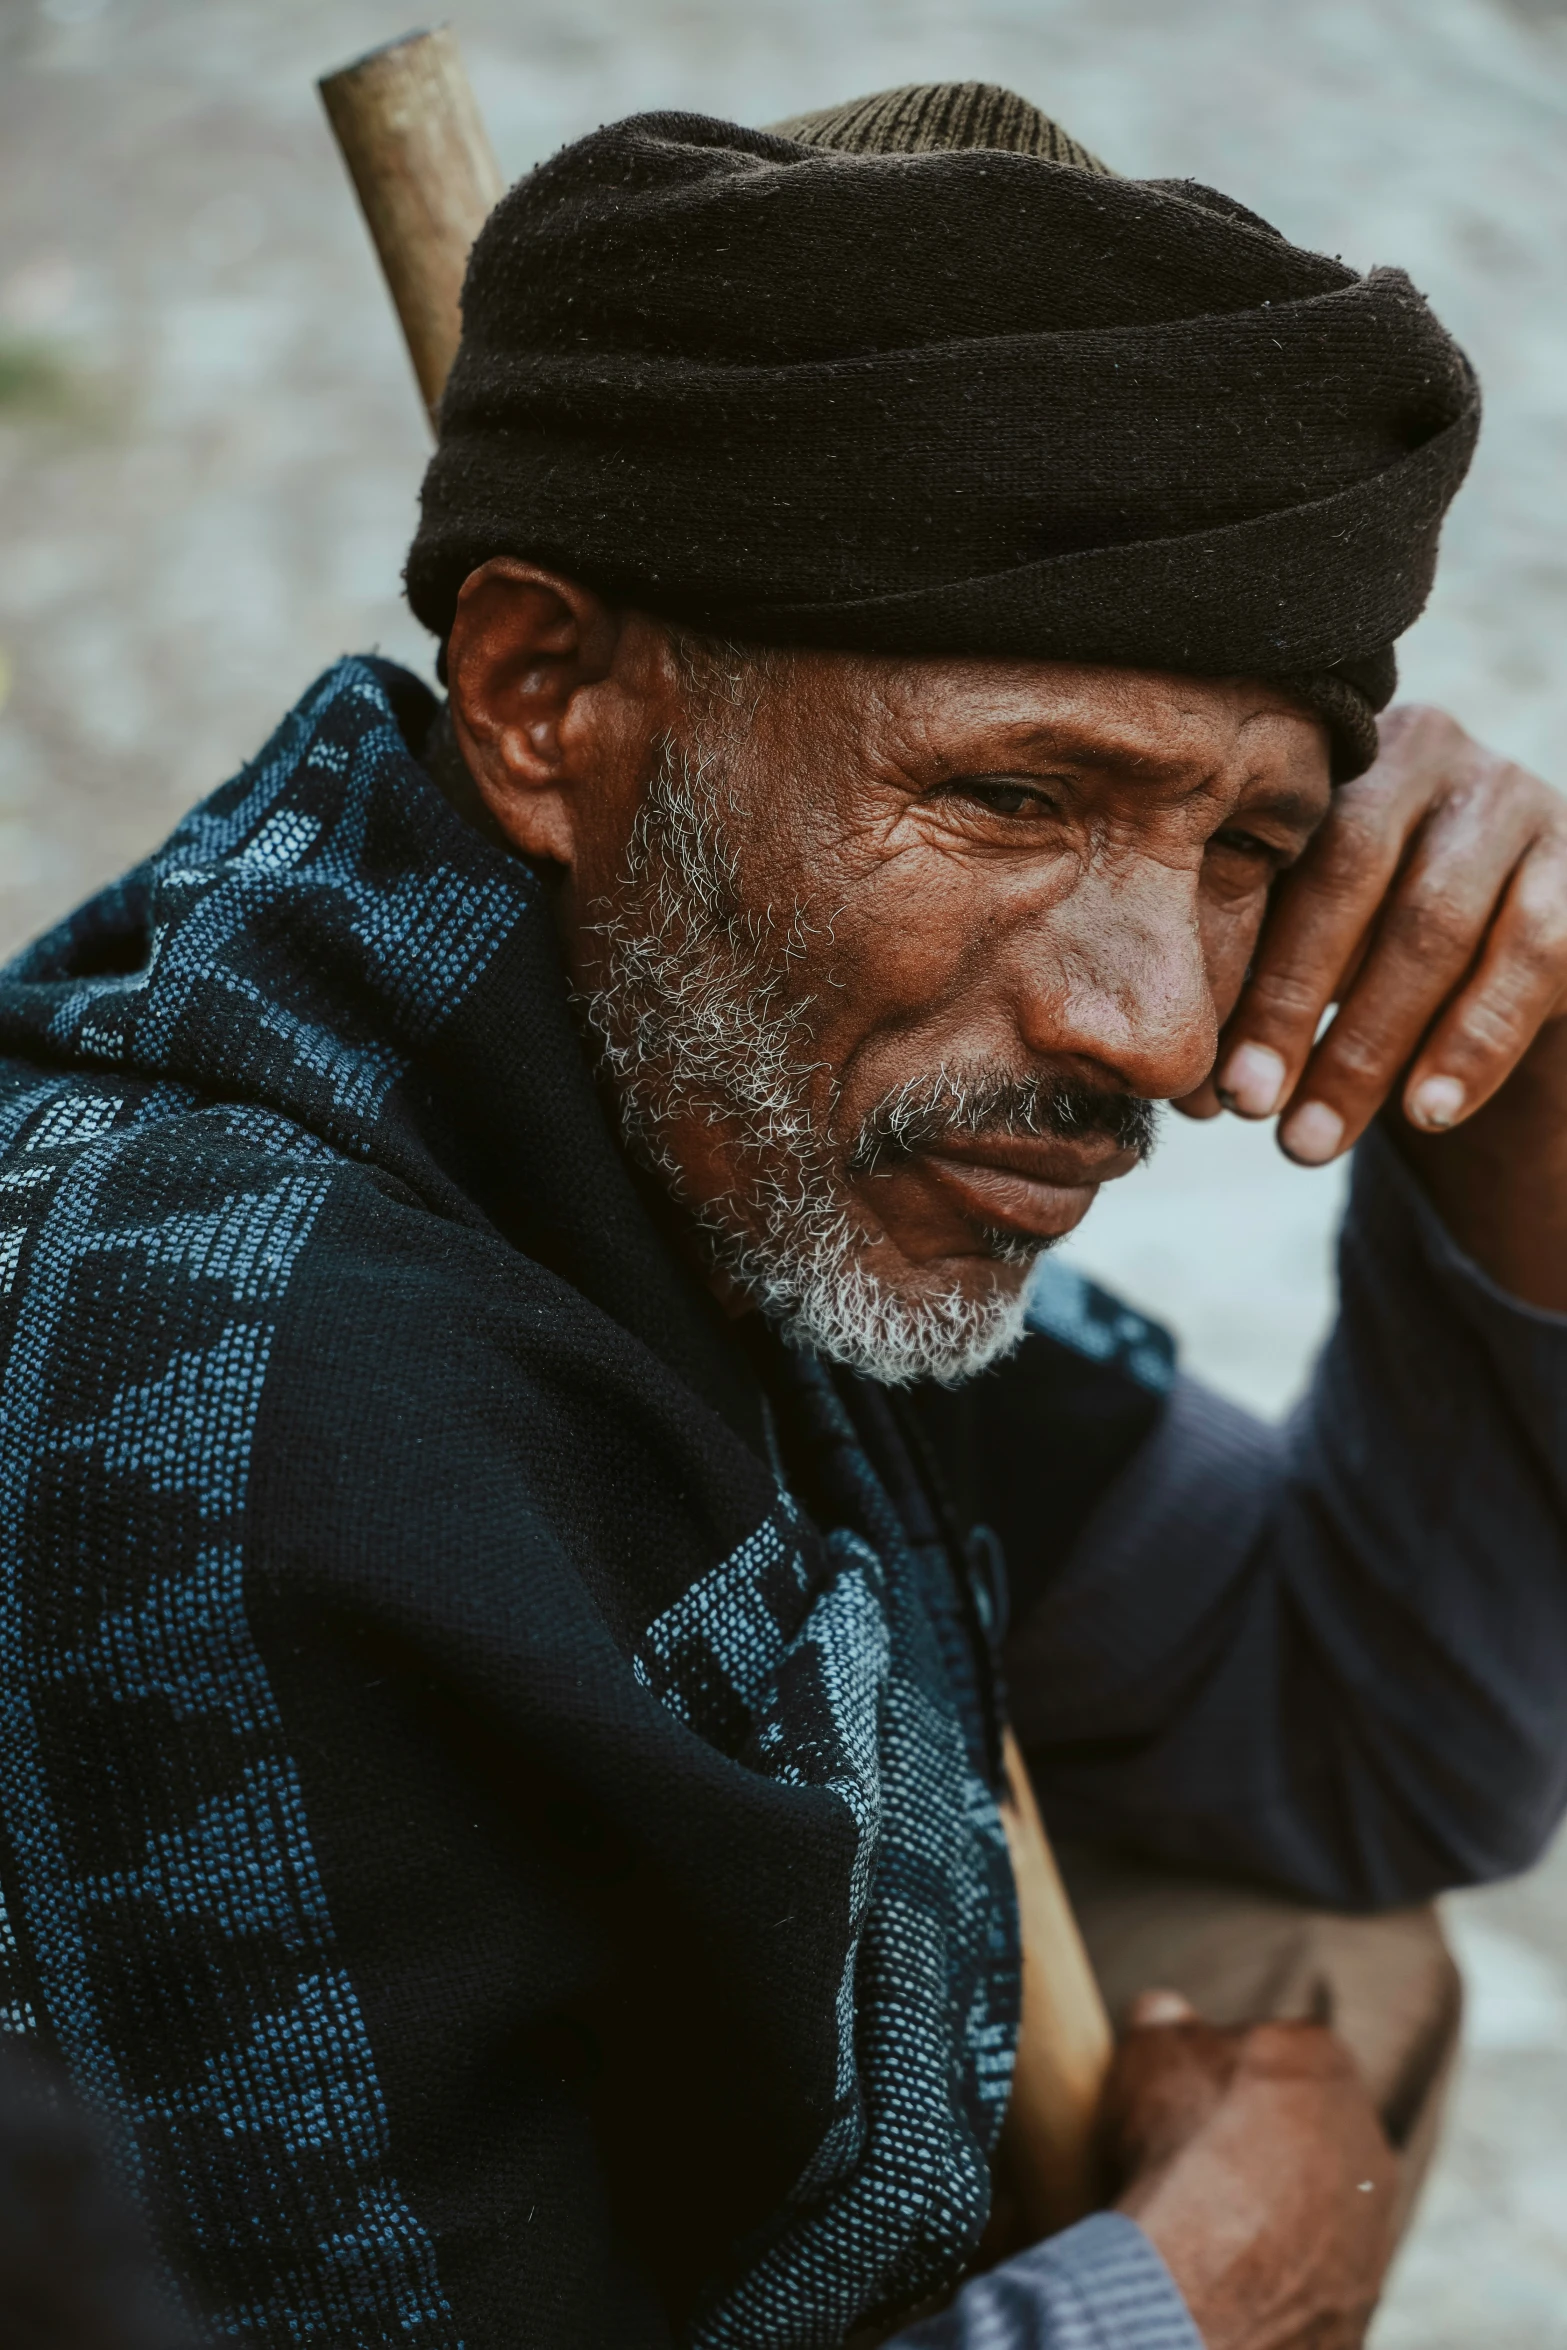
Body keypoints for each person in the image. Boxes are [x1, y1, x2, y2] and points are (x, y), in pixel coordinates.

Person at [0, 77, 1565, 2350]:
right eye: (1020, 792)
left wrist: (1517, 1102)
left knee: (1317, 1961)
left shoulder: (723, 1080)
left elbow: (1347, 1741)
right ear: (546, 699)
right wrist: (1172, 2309)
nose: (1146, 1023)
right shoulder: (234, 1450)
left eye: (1243, 843)